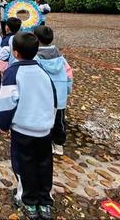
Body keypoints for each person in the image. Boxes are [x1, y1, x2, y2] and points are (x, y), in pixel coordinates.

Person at [0, 32, 57, 220]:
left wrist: (3, 124)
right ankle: (44, 200)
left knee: (24, 164)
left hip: (22, 129)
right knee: (44, 164)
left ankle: (29, 201)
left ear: (15, 52)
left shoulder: (12, 73)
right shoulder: (43, 71)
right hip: (44, 129)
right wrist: (50, 123)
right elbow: (53, 100)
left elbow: (6, 103)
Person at [34, 25, 73, 156]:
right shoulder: (61, 59)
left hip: (43, 97)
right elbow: (69, 76)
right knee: (59, 121)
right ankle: (59, 144)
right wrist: (67, 90)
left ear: (36, 39)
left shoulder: (35, 58)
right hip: (60, 97)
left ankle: (47, 143)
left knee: (44, 120)